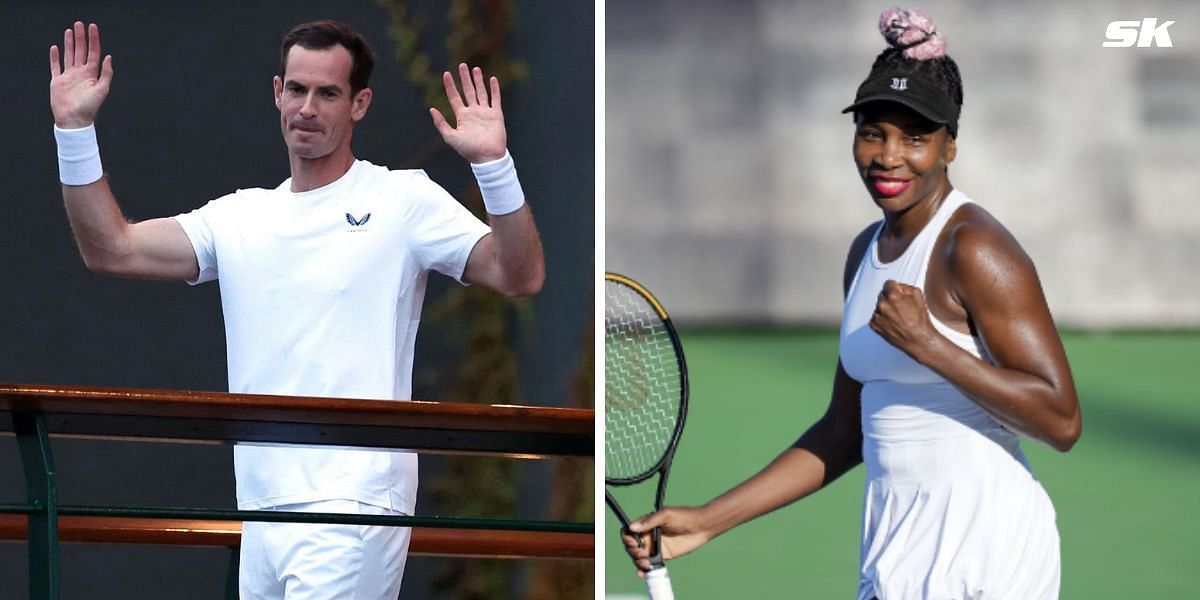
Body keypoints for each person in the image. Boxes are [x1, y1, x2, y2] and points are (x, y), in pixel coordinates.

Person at [49, 19, 544, 599]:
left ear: (359, 104)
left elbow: (520, 273)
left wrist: (494, 165)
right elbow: (111, 248)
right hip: (261, 507)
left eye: (328, 93)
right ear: (277, 92)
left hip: (355, 501)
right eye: (298, 90)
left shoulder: (402, 199)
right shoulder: (238, 216)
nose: (308, 108)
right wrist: (74, 130)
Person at [622, 8, 1081, 599]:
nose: (888, 156)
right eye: (873, 131)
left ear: (950, 147)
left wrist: (930, 346)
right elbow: (846, 430)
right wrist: (709, 521)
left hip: (985, 551)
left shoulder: (975, 248)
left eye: (915, 137)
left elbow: (1061, 420)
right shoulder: (865, 251)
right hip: (895, 550)